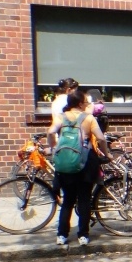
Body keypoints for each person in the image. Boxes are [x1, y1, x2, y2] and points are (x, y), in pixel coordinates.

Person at [47, 90, 112, 246]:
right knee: (84, 199)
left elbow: (50, 132)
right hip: (86, 163)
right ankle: (83, 235)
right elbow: (101, 138)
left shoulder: (61, 117)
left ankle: (62, 235)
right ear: (80, 103)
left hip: (65, 163)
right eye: (86, 102)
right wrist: (107, 153)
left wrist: (54, 147)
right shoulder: (88, 118)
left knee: (68, 200)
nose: (88, 104)